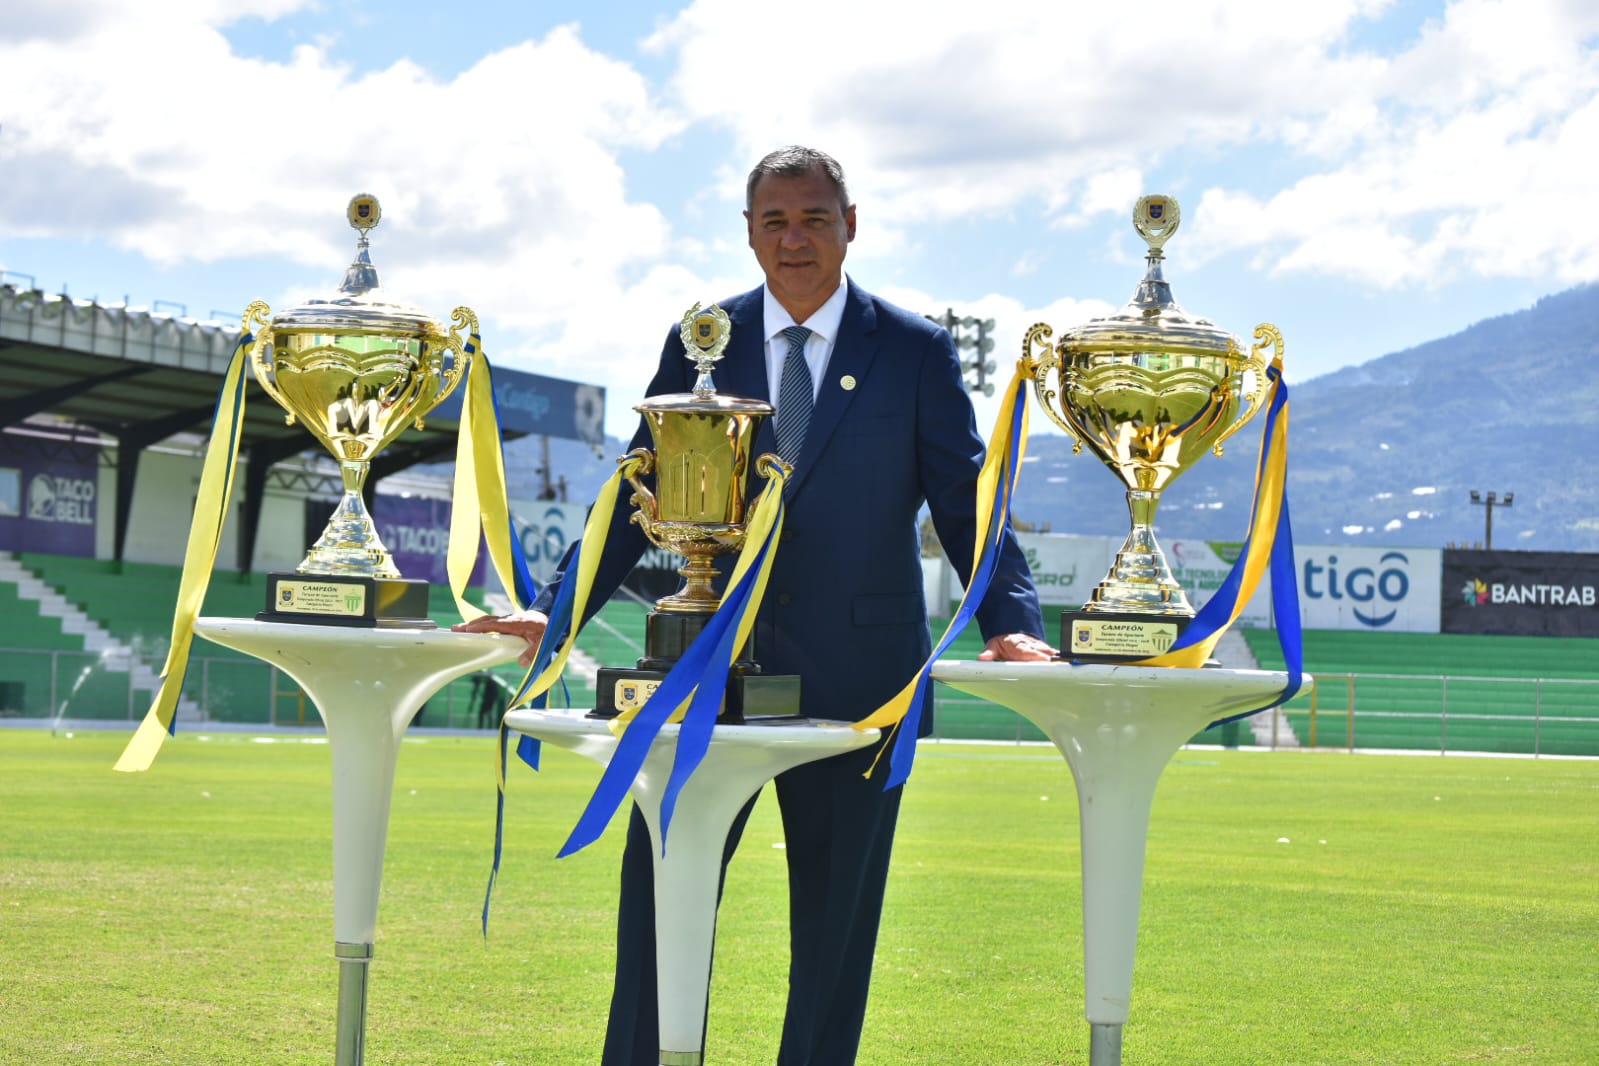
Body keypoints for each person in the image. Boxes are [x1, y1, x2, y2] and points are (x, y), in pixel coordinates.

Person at [456, 146, 1053, 1064]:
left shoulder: (914, 350)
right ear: (747, 233)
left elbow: (966, 502)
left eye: (815, 218)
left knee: (833, 931)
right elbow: (635, 492)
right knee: (659, 902)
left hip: (864, 681)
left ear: (851, 224)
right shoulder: (703, 337)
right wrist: (555, 609)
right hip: (703, 669)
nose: (795, 239)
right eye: (774, 221)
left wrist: (1009, 620)